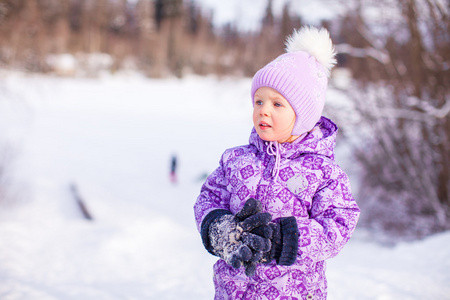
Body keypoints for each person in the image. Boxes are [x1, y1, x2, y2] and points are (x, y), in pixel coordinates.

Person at [193, 26, 360, 300]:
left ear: (303, 116)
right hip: (234, 291)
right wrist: (219, 229)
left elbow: (339, 224)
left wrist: (284, 239)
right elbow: (208, 199)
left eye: (277, 104)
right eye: (259, 101)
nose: (263, 110)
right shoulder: (235, 159)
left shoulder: (323, 172)